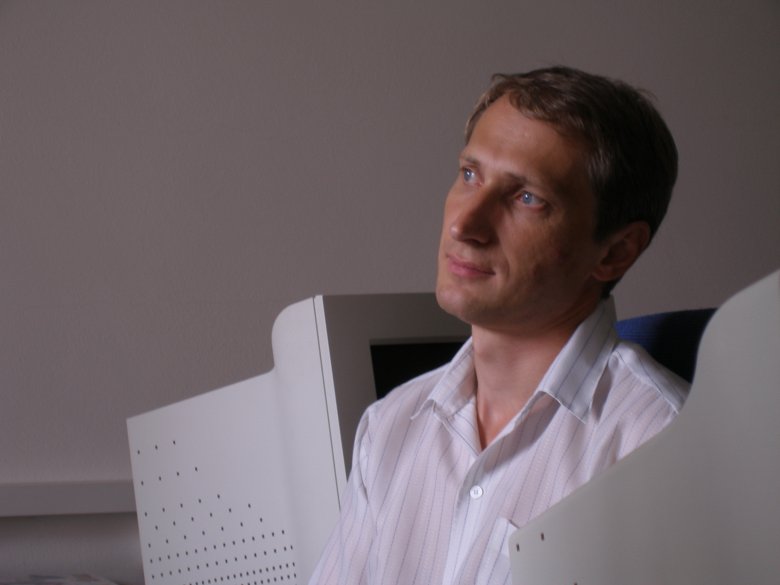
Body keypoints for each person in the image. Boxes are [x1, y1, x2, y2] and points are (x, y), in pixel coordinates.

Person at [309, 66, 686, 585]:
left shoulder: (663, 446)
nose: (464, 224)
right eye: (470, 175)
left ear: (615, 252)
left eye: (527, 197)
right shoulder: (390, 427)